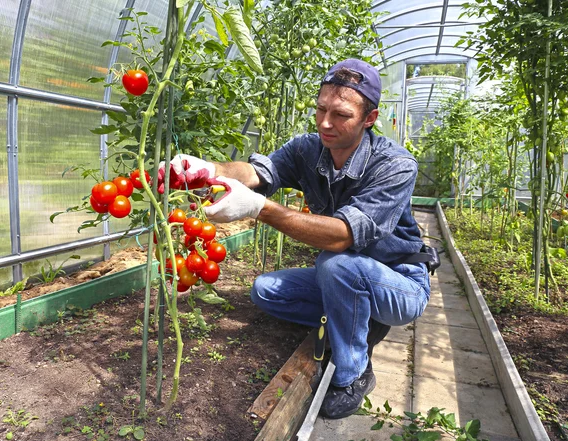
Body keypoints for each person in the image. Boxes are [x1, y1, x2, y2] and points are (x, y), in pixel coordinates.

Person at [158, 58, 431, 419]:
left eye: (341, 115)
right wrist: (212, 170)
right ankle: (356, 318)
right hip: (349, 276)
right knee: (267, 290)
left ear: (369, 119)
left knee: (336, 264)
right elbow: (258, 171)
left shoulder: (395, 165)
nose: (325, 123)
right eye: (320, 109)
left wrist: (260, 208)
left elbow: (343, 237)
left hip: (400, 282)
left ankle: (353, 374)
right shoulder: (308, 148)